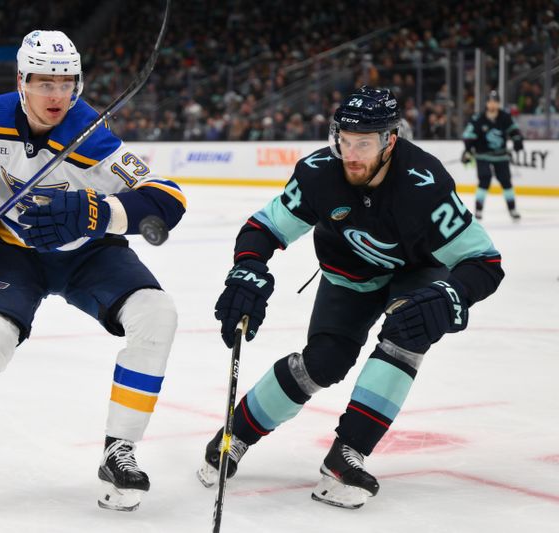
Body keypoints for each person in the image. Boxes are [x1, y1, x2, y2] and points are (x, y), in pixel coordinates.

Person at [0, 30, 186, 519]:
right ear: (22, 81)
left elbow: (168, 197)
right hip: (14, 253)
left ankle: (120, 451)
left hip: (88, 255)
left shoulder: (94, 136)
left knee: (157, 314)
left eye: (66, 82)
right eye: (45, 82)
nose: (57, 95)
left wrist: (97, 213)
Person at [197, 87, 504, 509]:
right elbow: (263, 228)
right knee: (323, 362)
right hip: (349, 275)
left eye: (364, 142)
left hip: (416, 272)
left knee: (408, 331)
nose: (351, 152)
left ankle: (347, 453)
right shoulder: (319, 174)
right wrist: (247, 268)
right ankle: (235, 434)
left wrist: (454, 292)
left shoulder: (425, 184)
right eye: (345, 139)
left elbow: (484, 261)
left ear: (390, 140)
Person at [461, 90, 524, 220]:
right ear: (487, 103)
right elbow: (468, 135)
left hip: (501, 155)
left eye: (495, 102)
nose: (493, 104)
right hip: (483, 155)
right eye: (490, 101)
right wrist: (468, 149)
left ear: (499, 103)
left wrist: (517, 139)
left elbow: (514, 130)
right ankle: (478, 210)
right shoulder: (479, 118)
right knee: (484, 180)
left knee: (506, 181)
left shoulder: (505, 117)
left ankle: (512, 209)